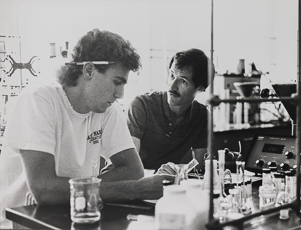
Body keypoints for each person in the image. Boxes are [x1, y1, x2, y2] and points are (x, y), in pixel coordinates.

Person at [0, 29, 174, 229]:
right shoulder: (40, 101)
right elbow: (44, 190)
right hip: (22, 223)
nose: (120, 94)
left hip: (72, 215)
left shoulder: (106, 109)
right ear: (89, 70)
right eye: (117, 82)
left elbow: (133, 170)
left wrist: (84, 190)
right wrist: (135, 190)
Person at [126, 49, 211, 173]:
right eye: (172, 75)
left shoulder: (202, 115)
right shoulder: (140, 106)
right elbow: (129, 168)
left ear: (200, 88)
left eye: (183, 81)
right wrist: (156, 176)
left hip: (172, 185)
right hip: (140, 183)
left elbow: (198, 168)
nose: (172, 86)